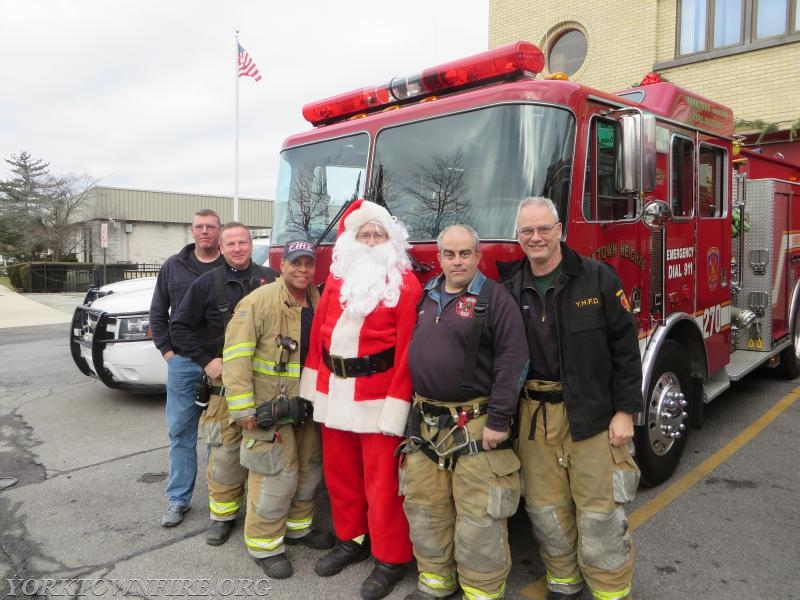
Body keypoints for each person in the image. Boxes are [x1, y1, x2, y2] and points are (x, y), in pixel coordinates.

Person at [499, 197, 642, 600]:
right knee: (545, 510)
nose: (536, 237)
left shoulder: (598, 278)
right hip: (534, 415)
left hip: (592, 413)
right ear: (518, 236)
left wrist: (625, 411)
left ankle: (610, 591)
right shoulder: (508, 289)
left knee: (598, 512)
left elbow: (626, 349)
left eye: (544, 228)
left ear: (559, 230)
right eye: (527, 230)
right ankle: (564, 584)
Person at [299, 199, 423, 600]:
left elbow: (407, 352)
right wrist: (314, 389)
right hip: (336, 393)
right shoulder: (336, 281)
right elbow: (319, 336)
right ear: (351, 240)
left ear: (391, 240)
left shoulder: (406, 285)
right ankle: (350, 539)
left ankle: (389, 558)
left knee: (384, 485)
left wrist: (397, 404)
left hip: (377, 396)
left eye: (378, 234)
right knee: (341, 477)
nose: (371, 241)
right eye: (364, 234)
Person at [401, 224, 529, 600]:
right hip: (426, 425)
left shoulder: (496, 299)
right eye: (449, 254)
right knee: (426, 507)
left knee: (479, 516)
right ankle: (436, 582)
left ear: (478, 256)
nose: (457, 261)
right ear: (438, 258)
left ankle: (481, 591)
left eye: (465, 254)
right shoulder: (427, 295)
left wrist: (499, 420)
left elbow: (514, 361)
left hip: (475, 425)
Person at [221, 240, 334, 578]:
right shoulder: (258, 302)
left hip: (307, 405)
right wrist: (243, 409)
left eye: (308, 264)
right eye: (295, 263)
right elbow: (236, 356)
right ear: (281, 266)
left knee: (308, 470)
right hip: (269, 408)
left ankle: (299, 529)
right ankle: (264, 545)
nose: (303, 270)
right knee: (274, 476)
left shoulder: (317, 298)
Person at [170, 222, 278, 545]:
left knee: (265, 457)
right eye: (230, 244)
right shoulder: (206, 285)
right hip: (223, 391)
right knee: (225, 456)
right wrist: (206, 360)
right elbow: (179, 328)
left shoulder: (271, 281)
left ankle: (265, 517)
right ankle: (223, 517)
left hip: (264, 388)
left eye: (242, 242)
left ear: (250, 244)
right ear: (221, 248)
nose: (237, 249)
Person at [150, 208, 224, 527]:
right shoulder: (173, 267)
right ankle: (178, 499)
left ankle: (220, 500)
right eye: (199, 227)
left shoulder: (230, 267)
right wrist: (168, 352)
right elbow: (157, 312)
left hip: (221, 365)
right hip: (183, 363)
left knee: (220, 436)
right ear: (191, 231)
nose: (205, 231)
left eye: (210, 226)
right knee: (181, 433)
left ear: (219, 231)